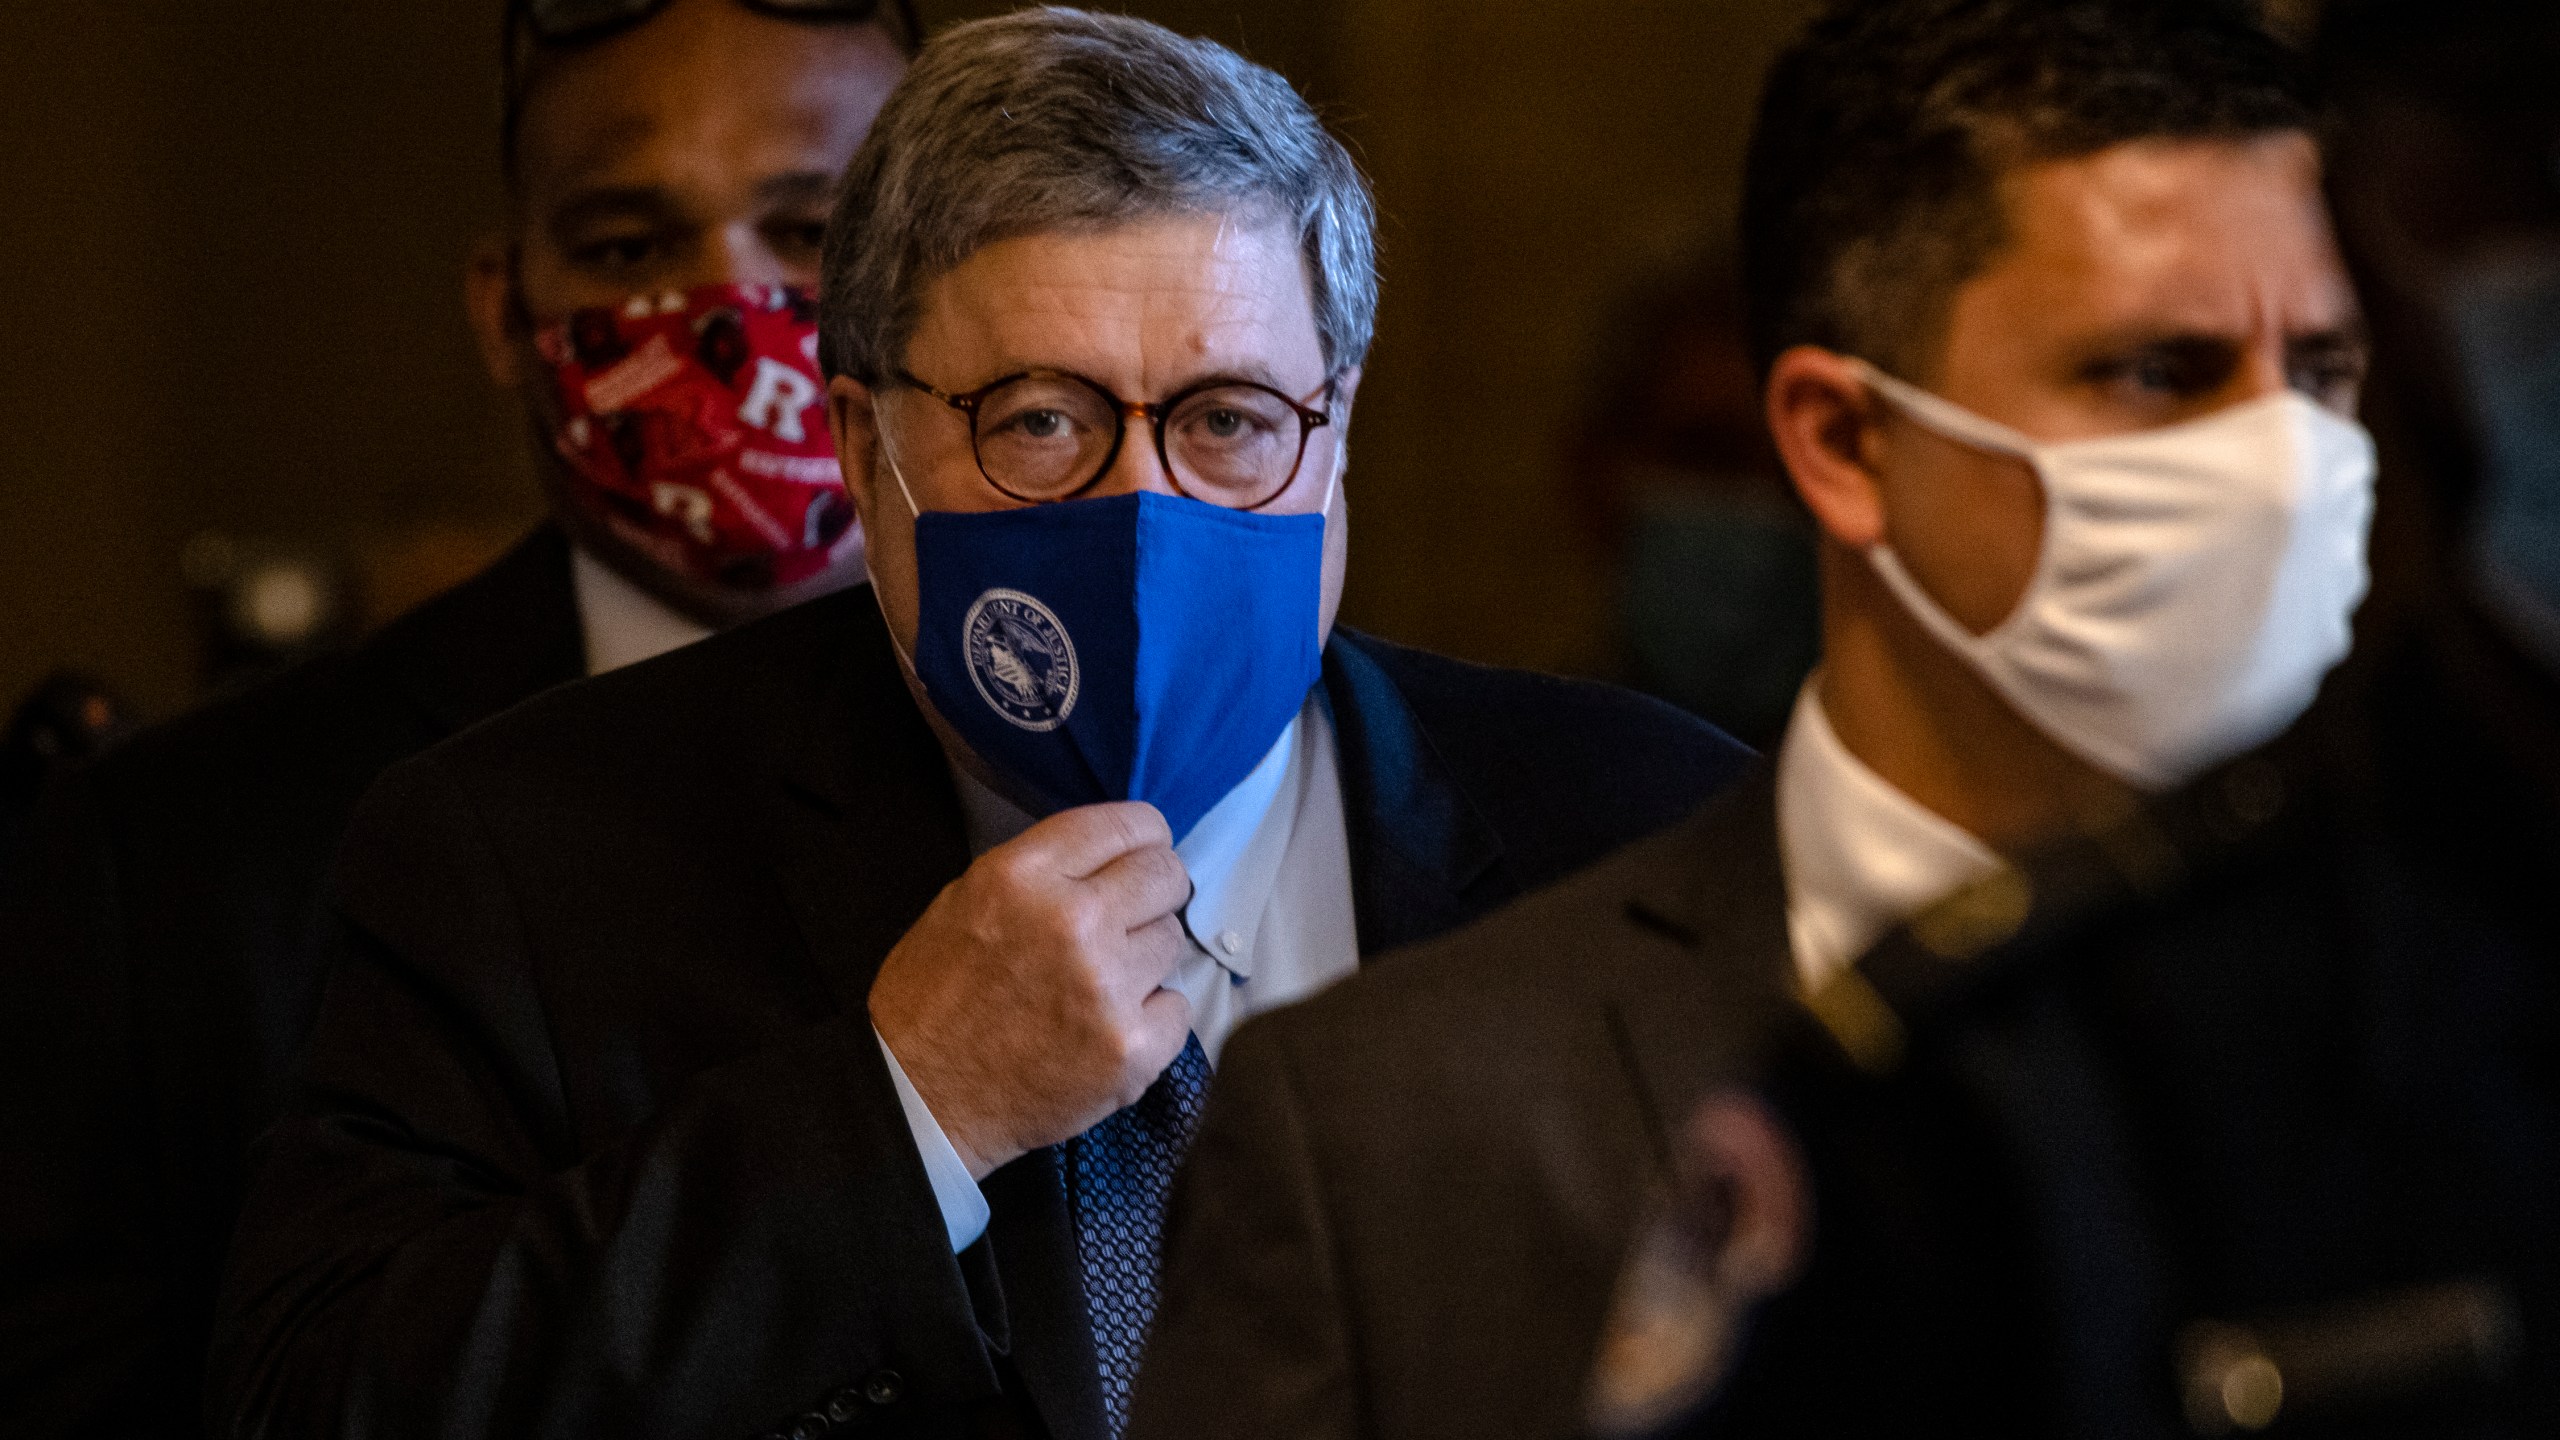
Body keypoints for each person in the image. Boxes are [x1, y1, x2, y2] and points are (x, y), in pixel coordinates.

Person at [207, 12, 1752, 1440]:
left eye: (1226, 421)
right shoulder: (525, 862)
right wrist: (903, 1112)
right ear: (862, 447)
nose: (1144, 509)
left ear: (1334, 428)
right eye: (1038, 421)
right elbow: (317, 1405)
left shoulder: (1653, 838)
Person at [1123, 2, 2480, 1437]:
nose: (2285, 467)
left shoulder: (2485, 1014)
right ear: (1844, 443)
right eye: (2157, 372)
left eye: (2324, 377)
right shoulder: (1392, 1132)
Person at [0, 2, 908, 1433]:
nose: (724, 308)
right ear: (505, 309)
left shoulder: (1124, 757)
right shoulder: (172, 858)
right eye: (624, 247)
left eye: (812, 236)